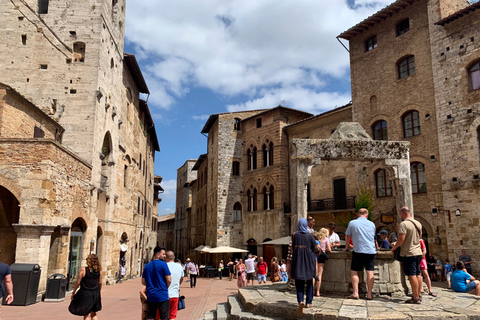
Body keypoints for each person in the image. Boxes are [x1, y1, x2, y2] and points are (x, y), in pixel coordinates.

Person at [391, 207, 423, 304]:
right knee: (418, 273)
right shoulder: (418, 223)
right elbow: (419, 237)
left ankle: (415, 297)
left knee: (412, 274)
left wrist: (395, 246)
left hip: (409, 253)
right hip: (418, 252)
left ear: (402, 214)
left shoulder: (403, 224)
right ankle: (419, 293)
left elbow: (401, 239)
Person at [344, 208, 376, 300]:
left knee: (354, 271)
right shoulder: (372, 224)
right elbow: (372, 237)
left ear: (358, 214)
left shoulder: (352, 223)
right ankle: (369, 294)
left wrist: (346, 247)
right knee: (370, 272)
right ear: (367, 214)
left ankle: (355, 293)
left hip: (358, 250)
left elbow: (347, 236)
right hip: (370, 251)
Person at [291, 217, 320, 315]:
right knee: (309, 282)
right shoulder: (310, 236)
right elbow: (316, 249)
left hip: (297, 261)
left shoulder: (294, 235)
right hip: (308, 261)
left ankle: (300, 301)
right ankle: (308, 302)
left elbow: (292, 248)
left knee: (299, 282)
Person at [69, 254, 102, 320]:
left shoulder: (83, 270)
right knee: (93, 313)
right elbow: (100, 283)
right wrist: (98, 292)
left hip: (86, 293)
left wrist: (73, 292)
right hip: (95, 293)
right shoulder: (99, 271)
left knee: (86, 313)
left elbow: (78, 283)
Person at [142, 247, 172, 320]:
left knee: (151, 316)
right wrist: (165, 287)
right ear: (158, 255)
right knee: (164, 317)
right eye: (163, 254)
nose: (164, 256)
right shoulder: (163, 264)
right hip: (162, 295)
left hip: (151, 295)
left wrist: (151, 285)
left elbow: (143, 282)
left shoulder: (147, 266)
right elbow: (169, 280)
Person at [166, 251, 184, 320]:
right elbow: (182, 278)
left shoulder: (164, 266)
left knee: (162, 316)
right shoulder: (179, 266)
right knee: (172, 316)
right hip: (175, 294)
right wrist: (177, 285)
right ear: (174, 257)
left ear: (166, 258)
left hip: (164, 295)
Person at [315, 228, 331, 297]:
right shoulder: (326, 239)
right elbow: (329, 250)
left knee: (314, 274)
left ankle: (312, 290)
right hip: (322, 256)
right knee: (319, 275)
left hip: (315, 255)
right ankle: (318, 291)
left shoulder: (317, 239)